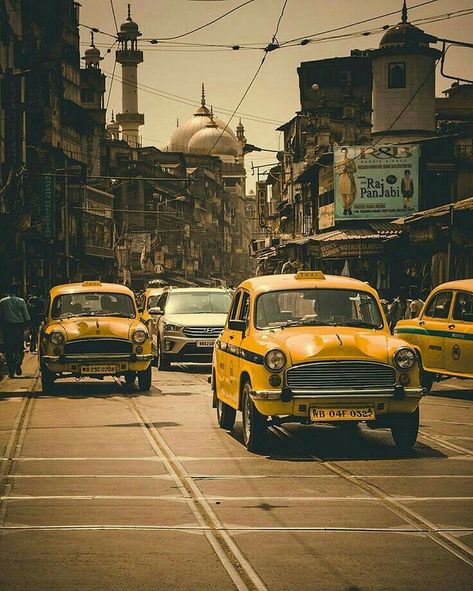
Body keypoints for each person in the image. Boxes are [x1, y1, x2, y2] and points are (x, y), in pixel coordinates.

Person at [0, 286, 31, 378]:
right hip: (18, 328)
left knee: (8, 350)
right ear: (17, 291)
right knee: (19, 348)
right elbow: (26, 316)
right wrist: (30, 328)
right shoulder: (21, 301)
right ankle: (17, 363)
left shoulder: (2, 302)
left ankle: (11, 371)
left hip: (7, 328)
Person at [337, 147, 357, 215]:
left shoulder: (351, 161)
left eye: (345, 152)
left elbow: (354, 170)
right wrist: (342, 170)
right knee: (343, 196)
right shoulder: (339, 162)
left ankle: (347, 208)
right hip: (342, 180)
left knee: (350, 196)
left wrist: (347, 170)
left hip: (349, 179)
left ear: (347, 153)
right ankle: (346, 209)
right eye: (343, 152)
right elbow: (337, 171)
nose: (344, 154)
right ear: (341, 153)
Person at [27, 287, 45, 353]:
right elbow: (43, 310)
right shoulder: (41, 300)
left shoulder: (30, 300)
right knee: (38, 332)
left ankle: (33, 347)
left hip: (31, 318)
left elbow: (27, 309)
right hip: (38, 318)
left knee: (33, 332)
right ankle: (37, 347)